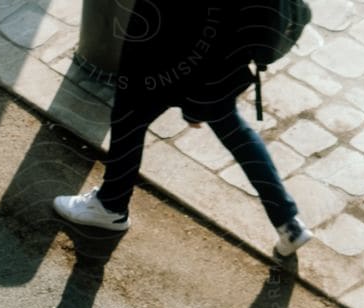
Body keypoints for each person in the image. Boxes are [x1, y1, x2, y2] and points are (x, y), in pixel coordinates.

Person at [53, 0, 312, 258]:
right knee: (230, 126)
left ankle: (110, 205)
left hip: (173, 51)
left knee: (129, 117)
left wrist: (193, 102)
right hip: (221, 58)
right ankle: (287, 222)